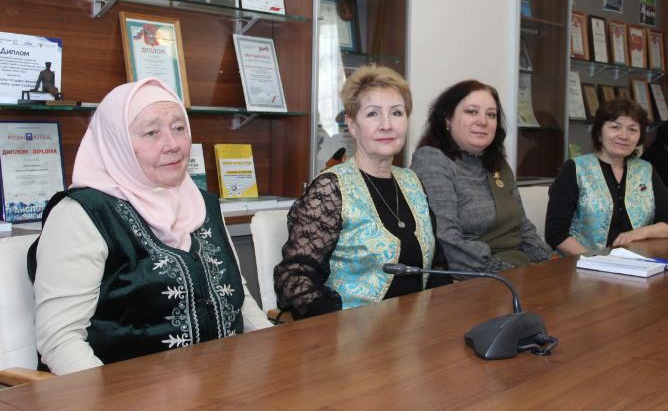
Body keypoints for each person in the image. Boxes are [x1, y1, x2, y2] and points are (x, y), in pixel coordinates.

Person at [28, 78, 271, 375]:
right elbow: (59, 341)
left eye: (179, 128)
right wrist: (109, 398)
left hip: (222, 383)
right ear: (116, 142)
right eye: (151, 133)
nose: (173, 145)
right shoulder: (81, 215)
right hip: (125, 391)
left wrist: (274, 355)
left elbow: (238, 299)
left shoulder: (202, 204)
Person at [274, 66, 451, 320]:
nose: (387, 125)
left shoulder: (412, 182)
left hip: (417, 329)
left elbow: (436, 266)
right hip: (351, 333)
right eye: (373, 114)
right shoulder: (331, 189)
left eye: (396, 113)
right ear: (353, 125)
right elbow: (294, 276)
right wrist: (335, 325)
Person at [410, 80, 552, 276]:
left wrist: (545, 263)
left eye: (491, 114)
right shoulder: (432, 160)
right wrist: (507, 273)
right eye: (472, 112)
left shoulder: (497, 163)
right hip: (477, 276)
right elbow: (446, 241)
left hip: (520, 269)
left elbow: (523, 227)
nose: (483, 121)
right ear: (447, 119)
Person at [545, 98, 668, 256]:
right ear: (599, 133)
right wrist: (597, 262)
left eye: (632, 130)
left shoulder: (645, 170)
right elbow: (556, 233)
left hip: (634, 261)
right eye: (615, 127)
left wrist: (641, 232)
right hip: (582, 263)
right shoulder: (576, 169)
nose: (624, 136)